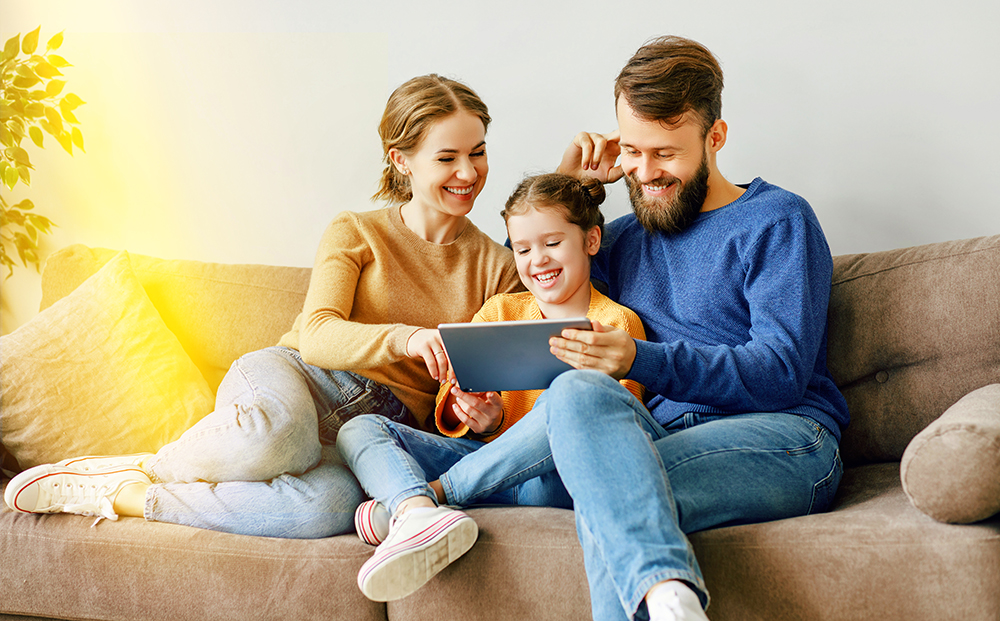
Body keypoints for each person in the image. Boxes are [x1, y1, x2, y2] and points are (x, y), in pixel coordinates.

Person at [4, 74, 524, 539]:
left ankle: (123, 493)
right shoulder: (357, 230)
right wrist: (406, 337)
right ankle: (155, 465)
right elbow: (319, 333)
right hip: (300, 379)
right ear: (401, 160)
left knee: (328, 509)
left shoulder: (497, 267)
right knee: (278, 436)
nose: (469, 172)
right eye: (448, 157)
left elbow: (481, 396)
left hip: (379, 432)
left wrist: (478, 416)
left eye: (478, 152)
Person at [532, 36, 849, 621]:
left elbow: (779, 372)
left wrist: (639, 359)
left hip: (785, 435)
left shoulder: (777, 219)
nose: (645, 173)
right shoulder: (620, 239)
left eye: (666, 153)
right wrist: (568, 189)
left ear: (715, 138)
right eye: (631, 150)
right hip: (662, 433)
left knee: (607, 496)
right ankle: (671, 599)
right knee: (576, 392)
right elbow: (532, 277)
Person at [335, 172, 647, 602]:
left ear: (591, 241)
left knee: (568, 405)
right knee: (359, 429)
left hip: (552, 479)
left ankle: (427, 500)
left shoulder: (617, 325)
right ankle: (417, 511)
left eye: (552, 243)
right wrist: (483, 418)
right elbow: (452, 392)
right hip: (485, 460)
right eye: (522, 248)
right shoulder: (500, 309)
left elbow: (614, 426)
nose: (537, 260)